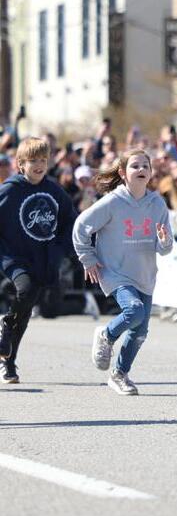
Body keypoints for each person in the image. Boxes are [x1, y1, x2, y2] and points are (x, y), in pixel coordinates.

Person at [73, 149, 173, 396]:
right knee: (134, 310)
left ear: (151, 173)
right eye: (135, 166)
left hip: (144, 274)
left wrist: (164, 240)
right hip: (116, 272)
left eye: (145, 166)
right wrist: (88, 258)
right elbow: (81, 227)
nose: (141, 170)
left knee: (140, 332)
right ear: (122, 173)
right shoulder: (112, 202)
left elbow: (165, 247)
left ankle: (119, 374)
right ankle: (106, 335)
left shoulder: (157, 204)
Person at [0, 138, 77, 384]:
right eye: (33, 160)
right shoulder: (10, 190)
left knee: (25, 315)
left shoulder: (54, 191)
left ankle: (8, 362)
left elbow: (71, 222)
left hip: (43, 259)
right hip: (14, 257)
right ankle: (5, 323)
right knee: (26, 288)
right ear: (21, 164)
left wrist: (62, 250)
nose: (39, 165)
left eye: (43, 160)